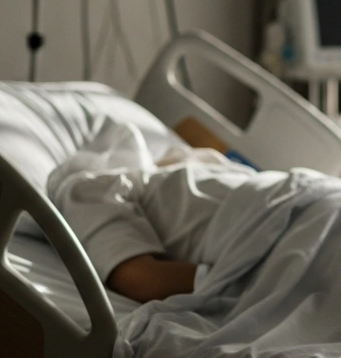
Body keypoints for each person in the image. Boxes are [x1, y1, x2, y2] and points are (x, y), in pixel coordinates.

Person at [47, 119, 250, 302]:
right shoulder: (86, 188)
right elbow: (139, 279)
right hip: (256, 243)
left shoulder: (208, 166)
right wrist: (248, 282)